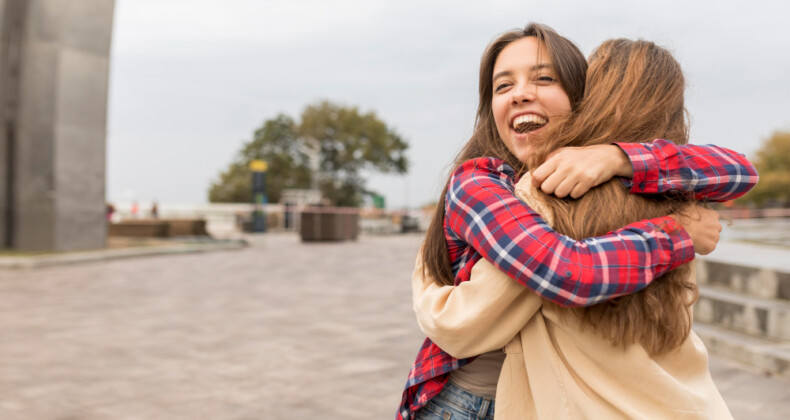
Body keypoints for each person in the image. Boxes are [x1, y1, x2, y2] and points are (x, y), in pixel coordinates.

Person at [398, 24, 758, 420]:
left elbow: (741, 172)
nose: (519, 93)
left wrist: (618, 157)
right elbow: (569, 270)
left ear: (581, 97)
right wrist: (681, 233)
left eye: (544, 79)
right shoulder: (481, 182)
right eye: (502, 87)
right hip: (469, 404)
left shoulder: (596, 179)